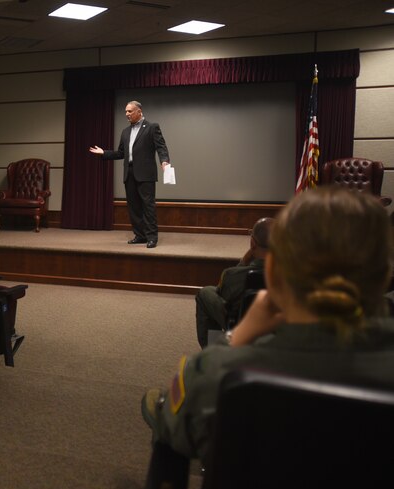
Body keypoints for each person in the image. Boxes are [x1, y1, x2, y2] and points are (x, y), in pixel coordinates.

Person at [141, 187, 394, 464]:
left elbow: (172, 426)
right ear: (385, 274)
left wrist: (235, 340)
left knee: (158, 405)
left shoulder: (217, 374)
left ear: (272, 270)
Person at [89, 100, 170, 248]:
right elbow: (121, 153)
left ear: (139, 111)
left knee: (148, 206)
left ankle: (152, 237)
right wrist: (104, 153)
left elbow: (161, 146)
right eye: (125, 111)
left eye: (130, 111)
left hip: (145, 173)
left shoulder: (152, 127)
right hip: (129, 173)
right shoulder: (125, 132)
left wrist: (164, 161)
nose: (126, 114)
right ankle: (140, 235)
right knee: (134, 207)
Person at [195, 217, 273, 347]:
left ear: (252, 243)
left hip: (242, 325)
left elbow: (223, 294)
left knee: (205, 293)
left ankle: (213, 353)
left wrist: (244, 261)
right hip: (279, 327)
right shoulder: (292, 275)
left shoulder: (233, 275)